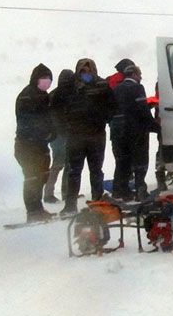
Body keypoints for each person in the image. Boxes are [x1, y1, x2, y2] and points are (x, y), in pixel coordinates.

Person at [59, 58, 115, 215]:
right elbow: (60, 106)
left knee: (96, 170)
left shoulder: (102, 85)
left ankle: (97, 201)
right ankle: (70, 205)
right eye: (82, 71)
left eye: (88, 70)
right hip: (75, 136)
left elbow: (112, 106)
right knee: (74, 171)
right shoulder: (71, 87)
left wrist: (103, 119)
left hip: (96, 135)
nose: (86, 73)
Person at [112, 65, 161, 201]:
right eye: (139, 75)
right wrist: (154, 126)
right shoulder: (137, 88)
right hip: (136, 131)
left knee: (123, 162)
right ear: (134, 74)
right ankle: (141, 190)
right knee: (140, 161)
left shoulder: (116, 88)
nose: (140, 78)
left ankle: (122, 191)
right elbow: (142, 111)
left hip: (118, 132)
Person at [14, 63, 55, 222]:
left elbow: (48, 118)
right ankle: (32, 211)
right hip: (27, 145)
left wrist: (51, 132)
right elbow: (26, 122)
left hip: (40, 144)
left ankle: (38, 208)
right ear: (35, 79)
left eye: (49, 79)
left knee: (42, 176)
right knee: (32, 177)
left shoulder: (44, 96)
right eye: (44, 78)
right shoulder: (27, 96)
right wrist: (41, 133)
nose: (47, 81)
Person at [43, 69, 74, 204]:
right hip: (64, 134)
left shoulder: (52, 94)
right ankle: (64, 192)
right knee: (66, 164)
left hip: (55, 135)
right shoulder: (69, 95)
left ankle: (49, 192)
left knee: (57, 164)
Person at [106, 58, 135, 197]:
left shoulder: (109, 81)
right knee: (125, 159)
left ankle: (120, 187)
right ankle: (122, 189)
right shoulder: (123, 82)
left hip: (114, 124)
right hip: (124, 123)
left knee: (120, 158)